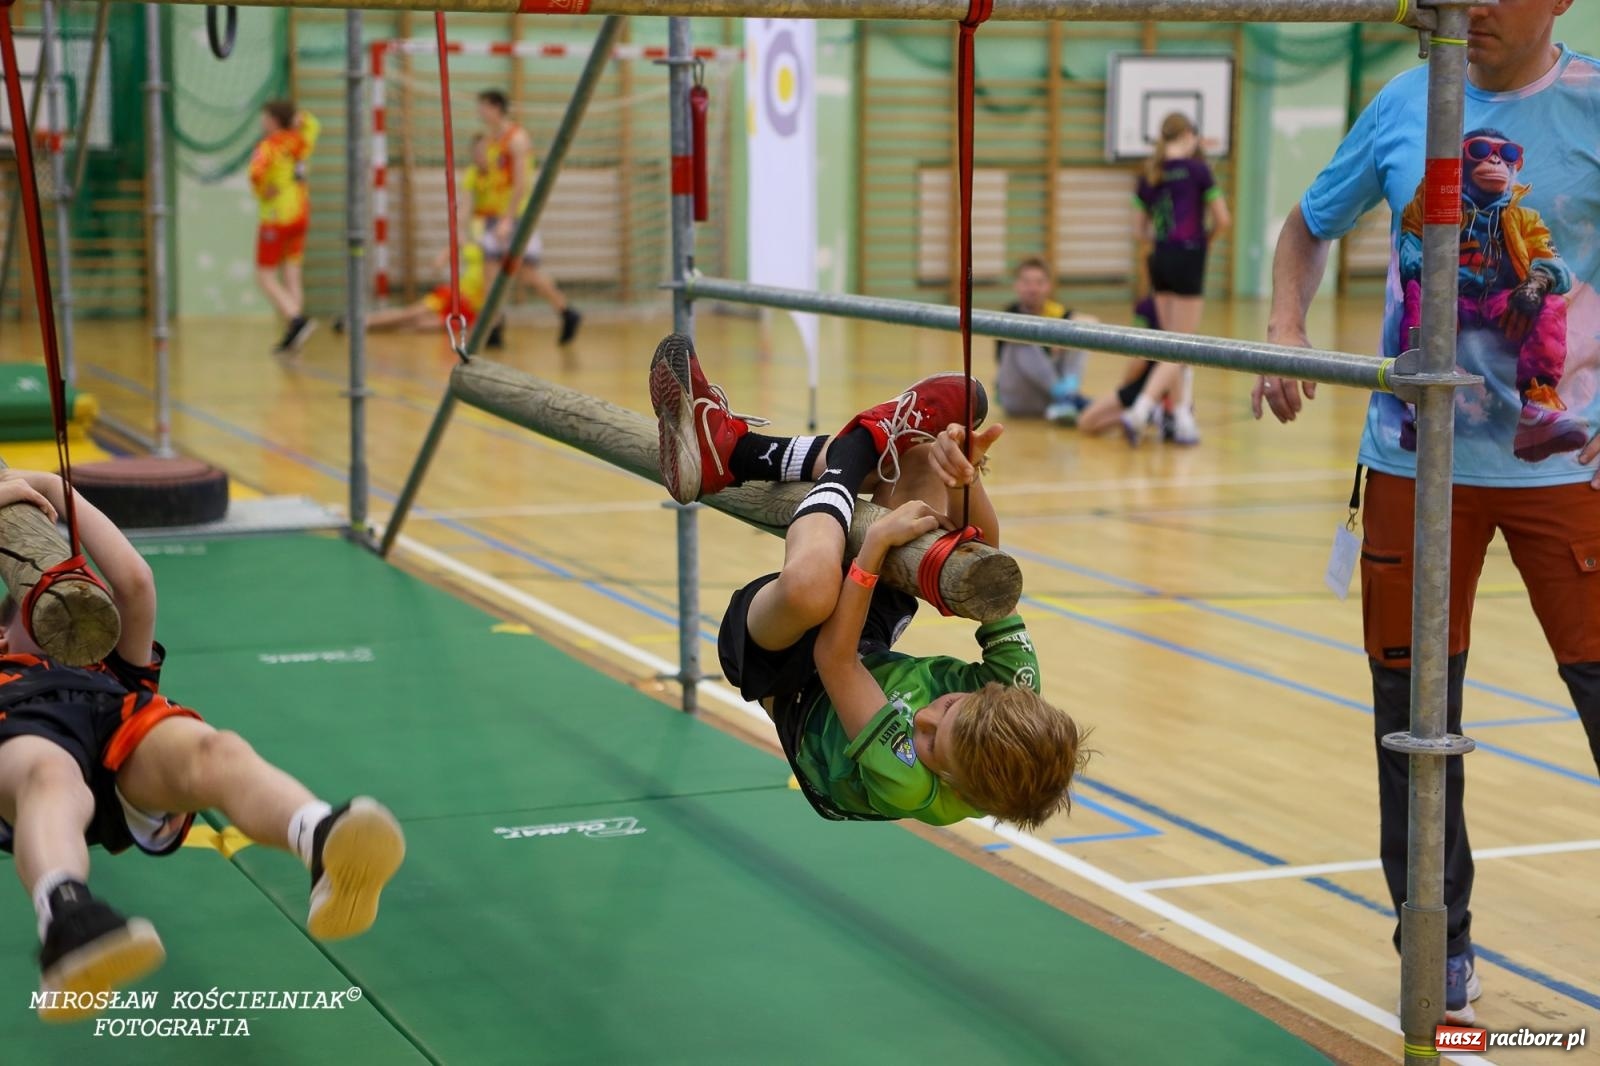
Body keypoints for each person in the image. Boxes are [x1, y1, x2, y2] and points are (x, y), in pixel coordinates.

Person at [1253, 0, 1599, 1025]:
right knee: (1411, 717)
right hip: (1411, 460)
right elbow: (1305, 226)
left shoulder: (1589, 107)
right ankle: (1434, 946)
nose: (1473, 5)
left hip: (1561, 464)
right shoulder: (1404, 101)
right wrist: (1283, 318)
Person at [0, 469, 404, 1020]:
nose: (81, 599)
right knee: (51, 776)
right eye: (51, 602)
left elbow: (136, 583)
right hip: (22, 726)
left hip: (113, 722)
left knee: (217, 751)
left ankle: (320, 838)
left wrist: (54, 488)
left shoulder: (108, 659)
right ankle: (69, 921)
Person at [650, 333, 1088, 827]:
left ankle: (861, 442)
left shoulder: (911, 787)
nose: (922, 718)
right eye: (947, 707)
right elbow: (986, 564)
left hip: (792, 678)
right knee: (920, 455)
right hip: (870, 648)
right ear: (994, 693)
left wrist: (875, 548)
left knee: (812, 588)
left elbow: (832, 659)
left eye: (929, 741)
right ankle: (735, 452)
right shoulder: (1017, 690)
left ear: (958, 786)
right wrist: (965, 478)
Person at [1123, 112, 1231, 447]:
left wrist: (1161, 245)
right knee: (1182, 345)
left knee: (1170, 342)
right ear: (1187, 134)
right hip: (1188, 256)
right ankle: (1141, 409)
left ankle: (1182, 417)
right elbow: (1223, 220)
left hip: (1161, 257)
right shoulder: (1199, 170)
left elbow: (1138, 230)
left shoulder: (1150, 172)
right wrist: (1204, 244)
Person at [474, 91, 581, 349]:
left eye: (483, 107)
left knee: (527, 274)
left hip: (515, 216)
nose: (480, 113)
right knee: (489, 274)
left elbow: (522, 182)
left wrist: (508, 219)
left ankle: (566, 311)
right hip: (494, 214)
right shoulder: (490, 140)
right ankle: (495, 328)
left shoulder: (516, 139)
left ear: (496, 107)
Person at [249, 101, 320, 356]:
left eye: (265, 117)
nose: (262, 122)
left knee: (264, 276)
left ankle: (296, 319)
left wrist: (262, 190)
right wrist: (297, 119)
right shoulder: (300, 141)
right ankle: (294, 335)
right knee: (292, 272)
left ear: (273, 120)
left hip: (277, 217)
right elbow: (313, 123)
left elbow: (256, 173)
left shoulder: (269, 146)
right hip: (301, 213)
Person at [994, 258, 1097, 426]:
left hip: (1046, 399)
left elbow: (1091, 322)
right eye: (1027, 282)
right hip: (1018, 399)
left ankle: (1068, 394)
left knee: (1080, 330)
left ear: (1048, 286)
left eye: (1039, 283)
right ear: (1017, 286)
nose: (1033, 289)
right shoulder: (1010, 312)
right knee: (1019, 333)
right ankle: (1065, 396)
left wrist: (1063, 337)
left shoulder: (1054, 311)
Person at [335, 242, 487, 336]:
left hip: (470, 310)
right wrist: (442, 258)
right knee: (409, 314)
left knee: (417, 326)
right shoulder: (479, 241)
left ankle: (366, 328)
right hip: (455, 295)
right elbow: (457, 242)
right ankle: (360, 322)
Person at [1077, 296, 1164, 438]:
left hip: (1143, 385)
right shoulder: (1185, 306)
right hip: (1165, 389)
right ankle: (1146, 414)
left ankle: (1146, 414)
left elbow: (1139, 359)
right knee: (1092, 421)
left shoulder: (1146, 307)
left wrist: (1123, 387)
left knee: (1085, 422)